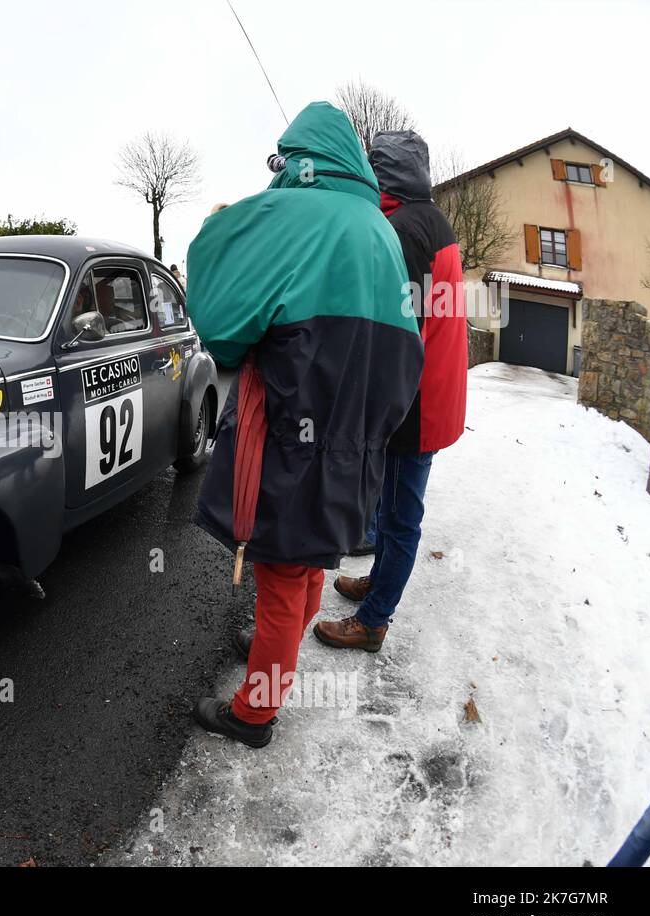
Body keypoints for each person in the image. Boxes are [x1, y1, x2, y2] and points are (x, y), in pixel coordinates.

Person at [187, 102, 423, 748]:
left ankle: (254, 712)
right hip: (356, 445)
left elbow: (220, 320)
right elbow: (409, 360)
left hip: (295, 439)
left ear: (301, 160)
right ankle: (279, 641)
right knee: (311, 562)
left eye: (284, 161)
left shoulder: (292, 215)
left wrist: (233, 223)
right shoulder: (378, 230)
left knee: (283, 574)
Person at [313, 130, 468, 653]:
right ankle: (377, 586)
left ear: (386, 173)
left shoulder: (404, 229)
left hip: (415, 403)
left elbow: (396, 331)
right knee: (393, 505)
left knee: (402, 517)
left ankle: (374, 620)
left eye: (374, 167)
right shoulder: (428, 219)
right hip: (431, 394)